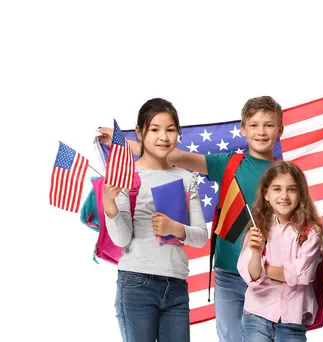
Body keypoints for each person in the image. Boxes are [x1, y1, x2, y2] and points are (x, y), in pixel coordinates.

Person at [99, 95, 284, 342]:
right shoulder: (229, 163)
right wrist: (125, 143)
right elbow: (172, 155)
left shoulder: (286, 175)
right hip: (229, 273)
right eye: (254, 125)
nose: (261, 132)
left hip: (269, 273)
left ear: (280, 130)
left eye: (269, 125)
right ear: (243, 129)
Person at [103, 98, 208, 341]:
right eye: (154, 129)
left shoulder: (185, 178)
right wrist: (110, 206)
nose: (163, 137)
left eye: (170, 130)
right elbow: (121, 239)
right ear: (139, 132)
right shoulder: (127, 176)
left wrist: (175, 228)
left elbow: (200, 236)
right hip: (137, 283)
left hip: (177, 285)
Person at [237, 161, 323, 342]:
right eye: (277, 189)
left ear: (301, 194)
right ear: (266, 194)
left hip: (292, 321)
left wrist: (264, 269)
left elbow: (302, 275)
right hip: (256, 316)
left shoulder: (311, 231)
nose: (284, 196)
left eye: (291, 189)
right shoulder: (258, 228)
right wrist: (256, 254)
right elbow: (250, 276)